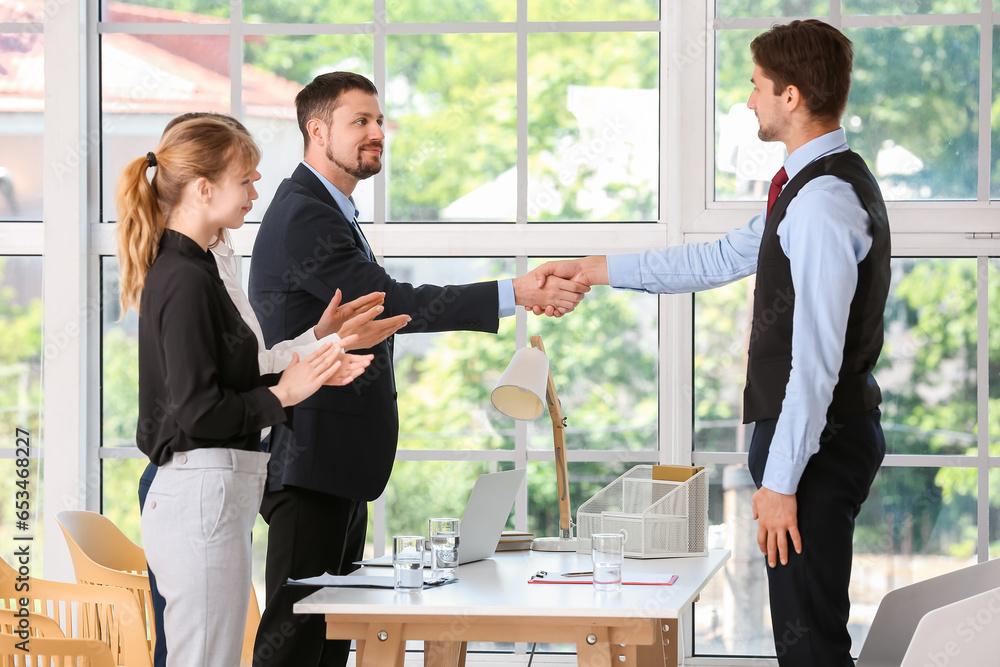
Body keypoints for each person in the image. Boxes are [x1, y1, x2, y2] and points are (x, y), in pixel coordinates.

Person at [533, 20, 889, 666]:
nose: (746, 100)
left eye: (755, 86)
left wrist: (781, 481)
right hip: (813, 444)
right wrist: (595, 268)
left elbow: (814, 362)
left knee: (810, 644)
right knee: (806, 635)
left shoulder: (822, 202)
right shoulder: (811, 187)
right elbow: (716, 258)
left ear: (791, 96)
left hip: (813, 451)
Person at [248, 71, 590, 666]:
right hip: (308, 461)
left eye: (380, 120)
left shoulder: (332, 210)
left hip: (333, 463)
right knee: (295, 642)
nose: (377, 132)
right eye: (361, 121)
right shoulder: (307, 214)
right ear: (316, 128)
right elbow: (392, 303)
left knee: (327, 642)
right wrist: (516, 290)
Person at [133, 113, 409, 667]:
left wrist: (323, 339)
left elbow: (249, 366)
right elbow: (199, 412)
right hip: (200, 492)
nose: (258, 188)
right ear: (204, 187)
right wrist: (286, 394)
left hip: (217, 491)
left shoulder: (208, 266)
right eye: (247, 178)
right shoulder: (185, 278)